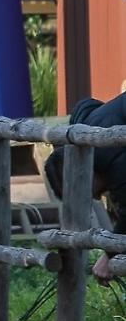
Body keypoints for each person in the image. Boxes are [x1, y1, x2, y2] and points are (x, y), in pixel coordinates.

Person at [44, 92, 126, 281]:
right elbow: (85, 105)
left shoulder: (109, 156)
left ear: (82, 175)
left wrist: (109, 256)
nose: (97, 196)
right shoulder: (85, 128)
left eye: (89, 191)